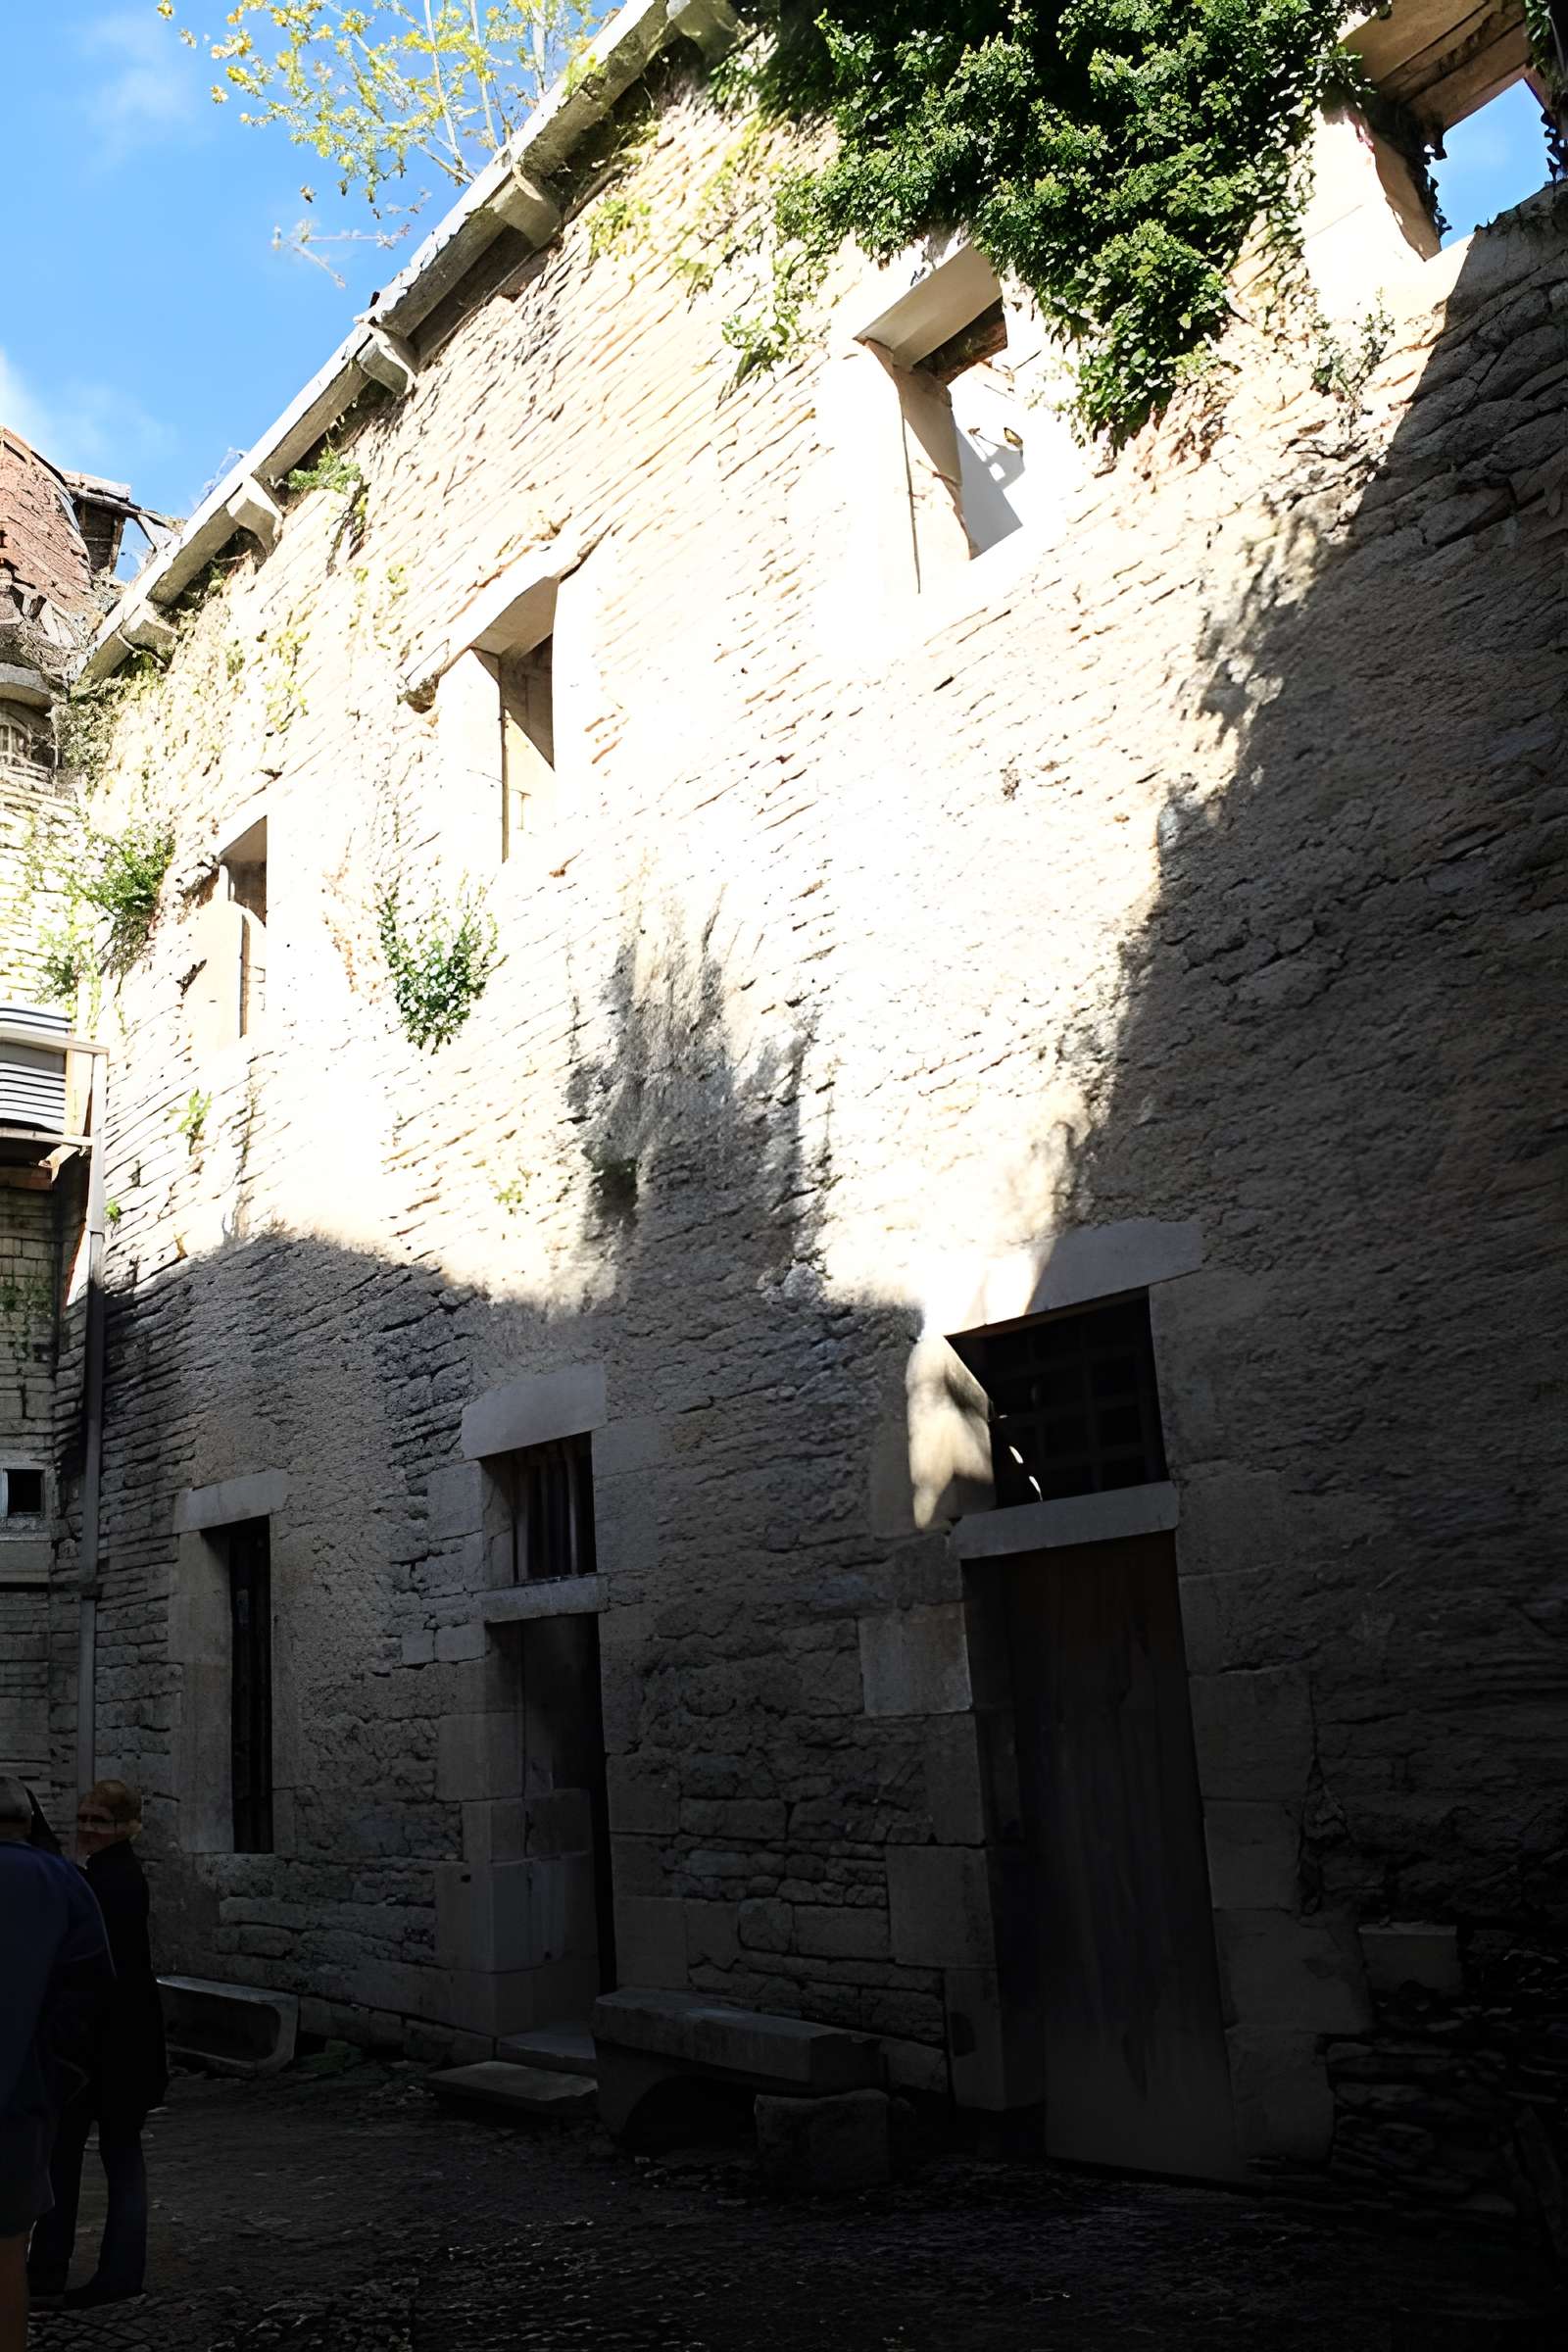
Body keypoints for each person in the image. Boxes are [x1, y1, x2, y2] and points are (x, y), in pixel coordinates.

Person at [26, 1782, 168, 2311]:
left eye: (100, 1821)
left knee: (116, 2156)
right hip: (106, 2045)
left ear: (126, 1826)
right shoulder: (105, 1876)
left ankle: (115, 2273)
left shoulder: (112, 1882)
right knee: (75, 2156)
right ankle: (54, 2270)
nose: (88, 1828)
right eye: (83, 1818)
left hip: (113, 2047)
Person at [0, 1775, 113, 2352]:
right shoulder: (65, 1882)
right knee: (7, 2255)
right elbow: (91, 1993)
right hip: (21, 2101)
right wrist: (56, 2074)